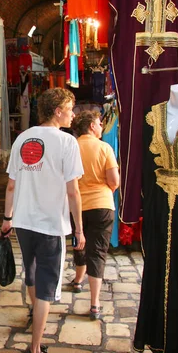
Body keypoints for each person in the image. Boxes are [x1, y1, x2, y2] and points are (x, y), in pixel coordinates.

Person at [2, 88, 85, 353]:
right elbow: (73, 191)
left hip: (24, 222)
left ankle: (33, 314)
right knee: (47, 285)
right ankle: (35, 347)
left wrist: (7, 218)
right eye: (71, 109)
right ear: (58, 110)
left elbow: (11, 186)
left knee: (32, 272)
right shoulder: (67, 143)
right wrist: (79, 230)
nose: (74, 115)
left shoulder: (22, 139)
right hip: (50, 225)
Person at [71, 110, 119, 320]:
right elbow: (114, 181)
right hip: (102, 205)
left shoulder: (71, 147)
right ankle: (94, 303)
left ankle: (77, 280)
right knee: (97, 252)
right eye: (99, 123)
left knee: (79, 242)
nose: (101, 127)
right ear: (91, 126)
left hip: (76, 205)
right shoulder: (104, 148)